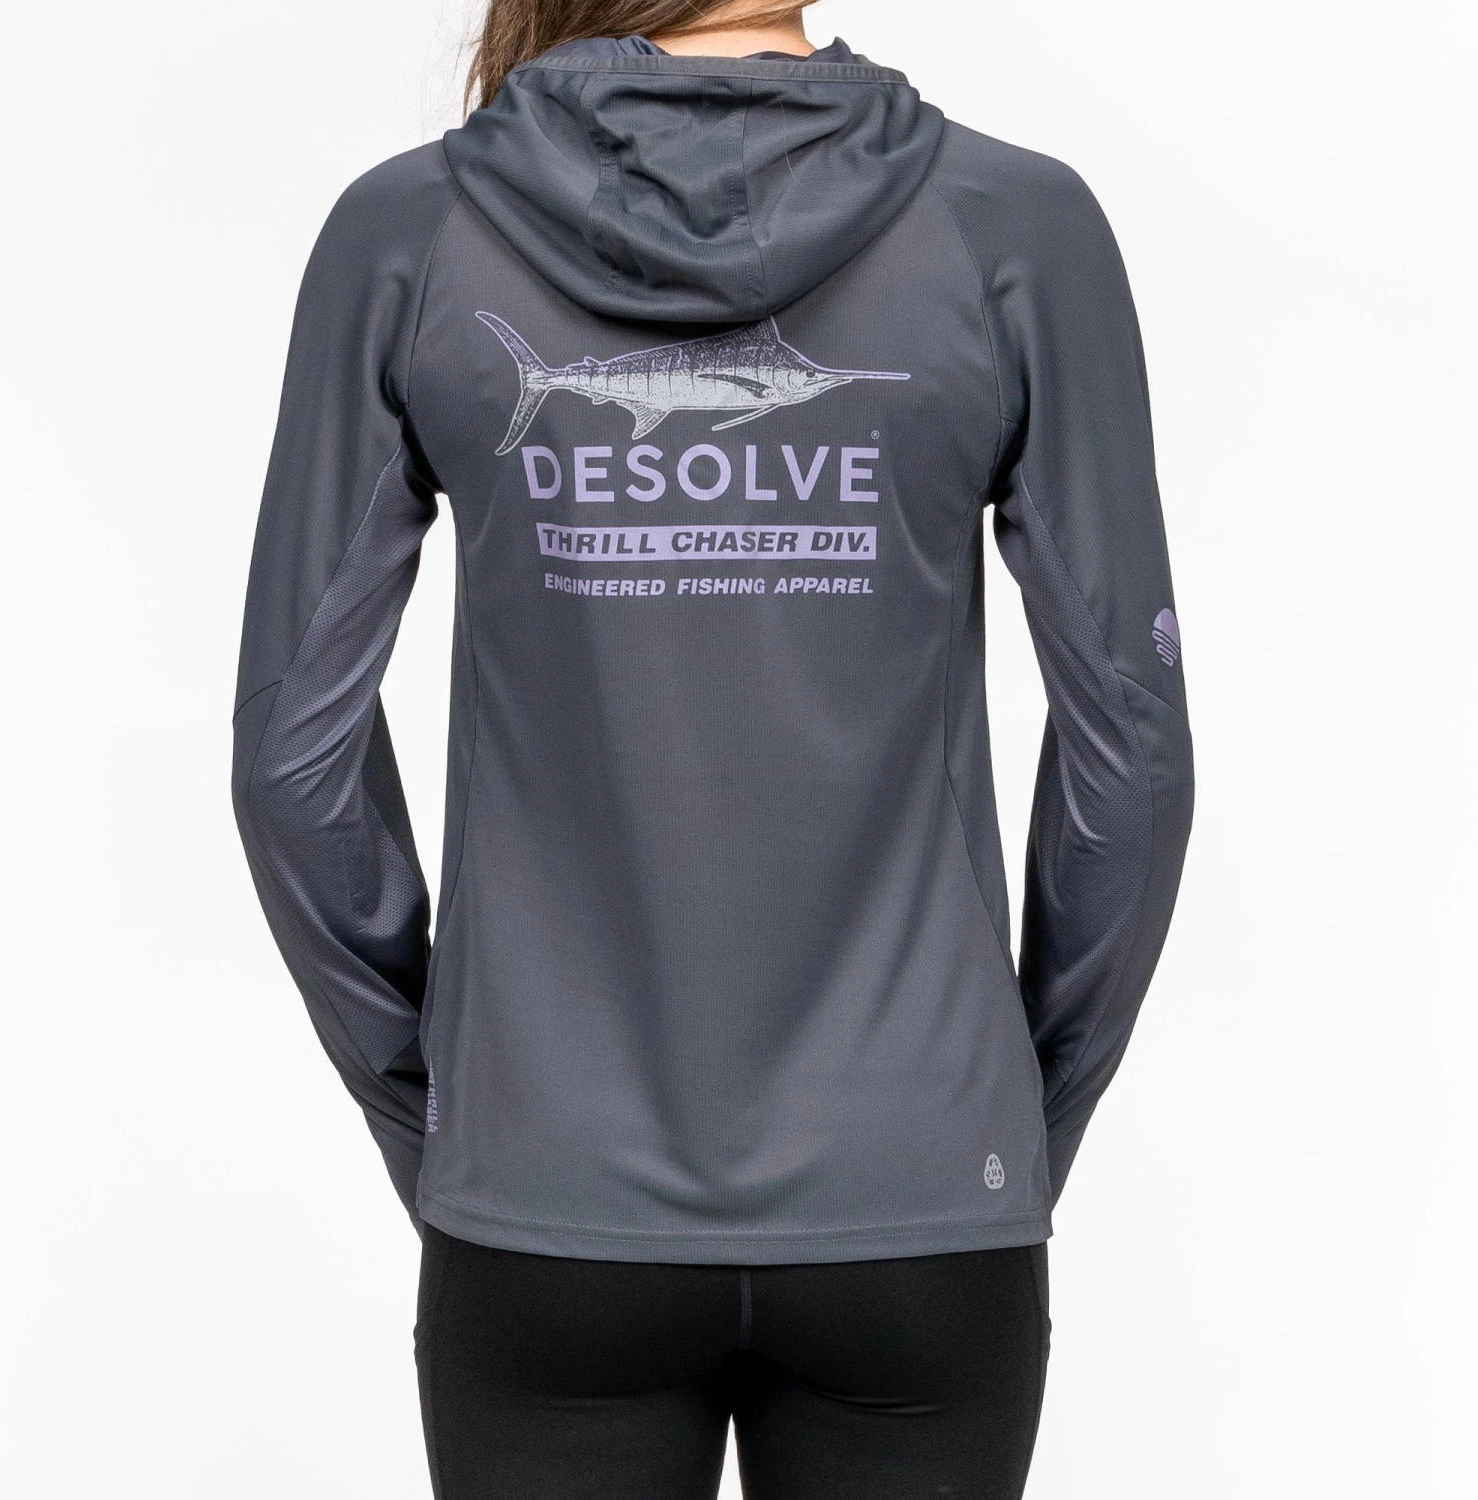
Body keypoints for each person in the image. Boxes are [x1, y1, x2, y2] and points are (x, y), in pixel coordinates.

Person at [230, 1, 1195, 1494]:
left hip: (545, 1196)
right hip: (922, 1188)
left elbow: (291, 756)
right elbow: (1131, 752)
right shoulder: (1016, 226)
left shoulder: (412, 232)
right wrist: (1013, 1113)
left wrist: (445, 1112)